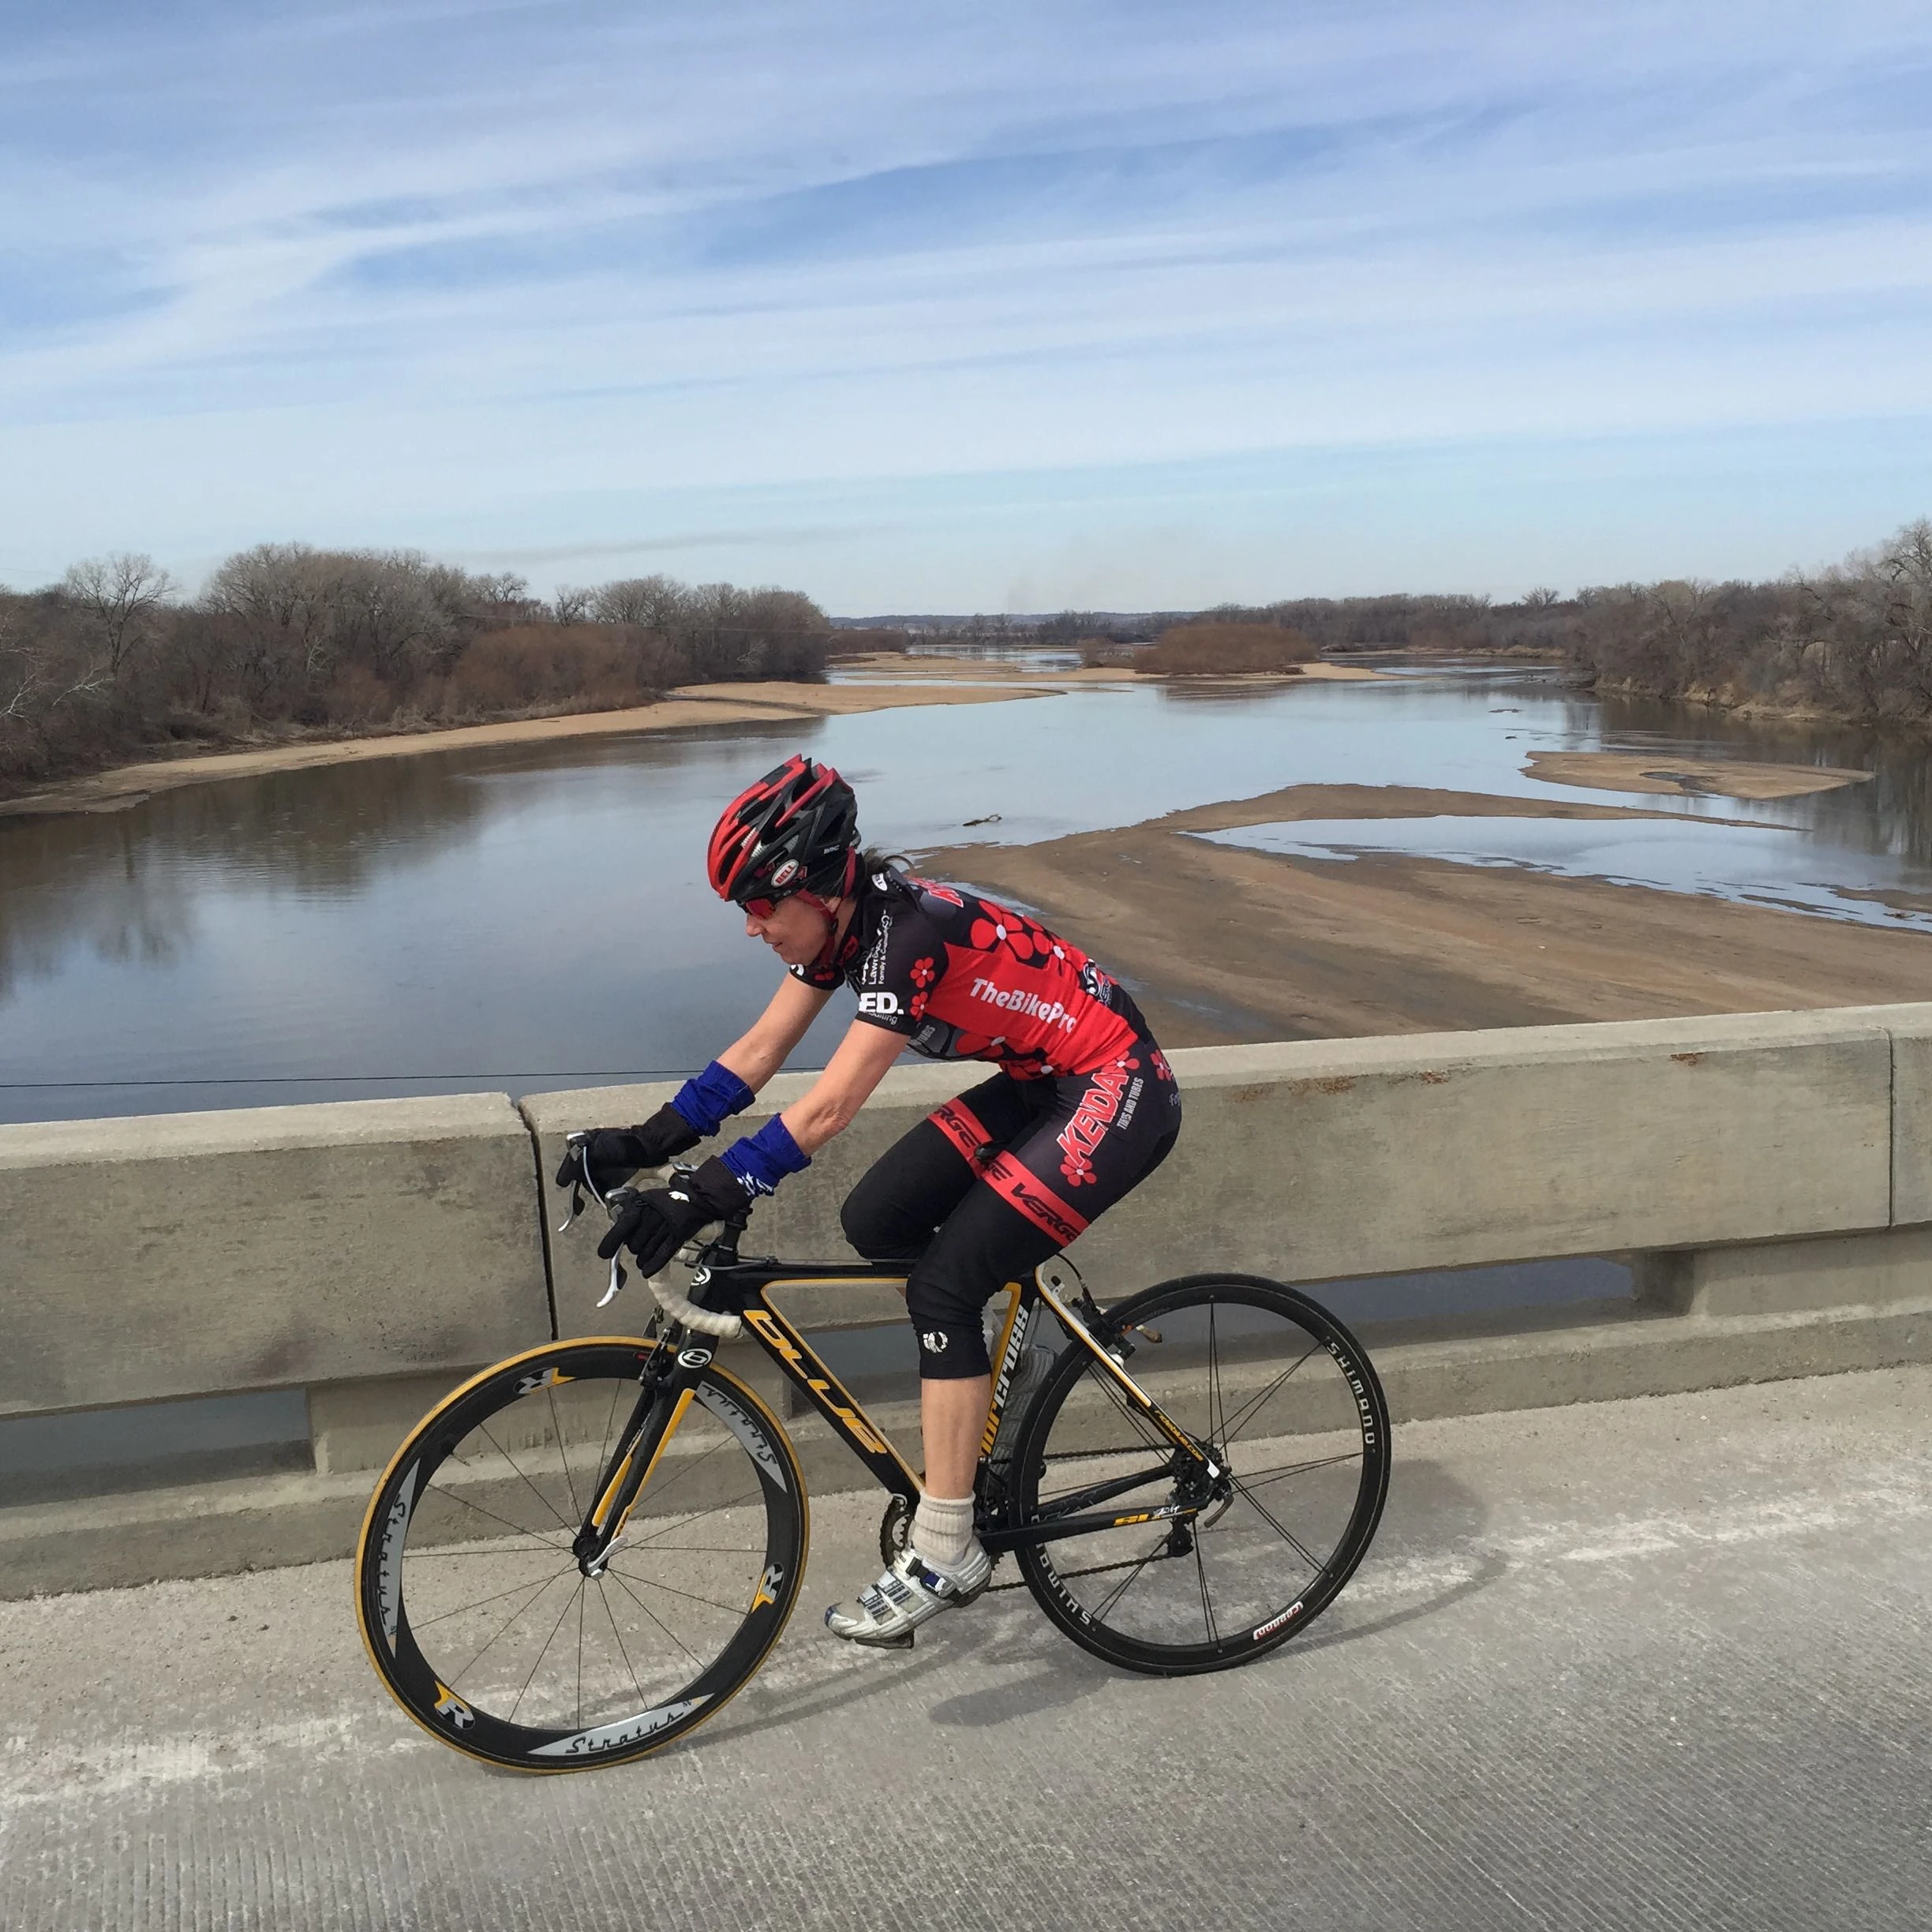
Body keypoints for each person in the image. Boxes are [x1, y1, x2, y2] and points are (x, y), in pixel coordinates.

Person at [568, 753, 1181, 1646]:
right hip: (1039, 1081)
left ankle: (946, 1548)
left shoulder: (906, 936)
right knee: (877, 1221)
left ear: (817, 889)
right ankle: (998, 1359)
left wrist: (700, 1194)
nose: (751, 928)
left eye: (759, 905)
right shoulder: (841, 934)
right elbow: (759, 1053)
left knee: (943, 1289)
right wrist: (647, 1141)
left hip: (1114, 1085)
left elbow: (827, 1110)